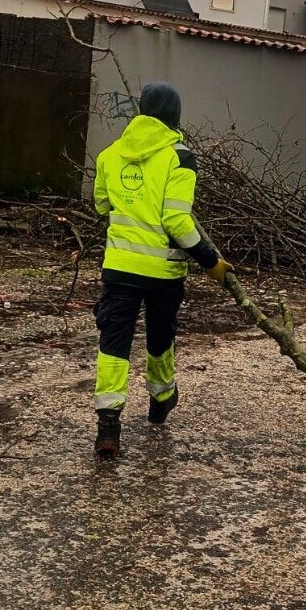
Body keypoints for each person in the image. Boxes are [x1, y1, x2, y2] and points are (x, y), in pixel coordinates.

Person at [91, 81, 232, 457]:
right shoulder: (180, 156)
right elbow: (177, 221)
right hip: (163, 273)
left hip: (119, 267)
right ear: (174, 116)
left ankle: (108, 426)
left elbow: (102, 206)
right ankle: (161, 399)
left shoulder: (110, 154)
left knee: (114, 342)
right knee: (160, 336)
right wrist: (210, 261)